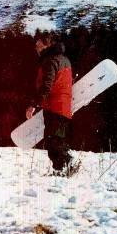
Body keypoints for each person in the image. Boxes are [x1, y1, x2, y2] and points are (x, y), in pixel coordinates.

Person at [25, 32, 78, 176]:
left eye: (39, 44)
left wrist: (33, 105)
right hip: (62, 107)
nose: (36, 48)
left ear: (48, 45)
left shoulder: (49, 60)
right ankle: (61, 170)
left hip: (55, 106)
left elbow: (46, 85)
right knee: (56, 140)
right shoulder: (63, 59)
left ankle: (68, 162)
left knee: (53, 141)